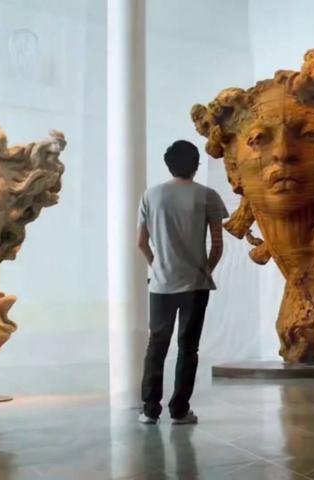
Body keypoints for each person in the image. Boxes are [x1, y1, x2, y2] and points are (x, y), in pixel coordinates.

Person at [136, 140, 228, 425]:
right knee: (188, 348)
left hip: (161, 284)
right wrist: (206, 270)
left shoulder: (151, 195)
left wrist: (157, 265)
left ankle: (150, 409)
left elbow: (141, 243)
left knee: (157, 344)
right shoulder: (208, 196)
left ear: (169, 165)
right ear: (196, 165)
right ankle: (179, 410)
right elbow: (217, 245)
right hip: (195, 285)